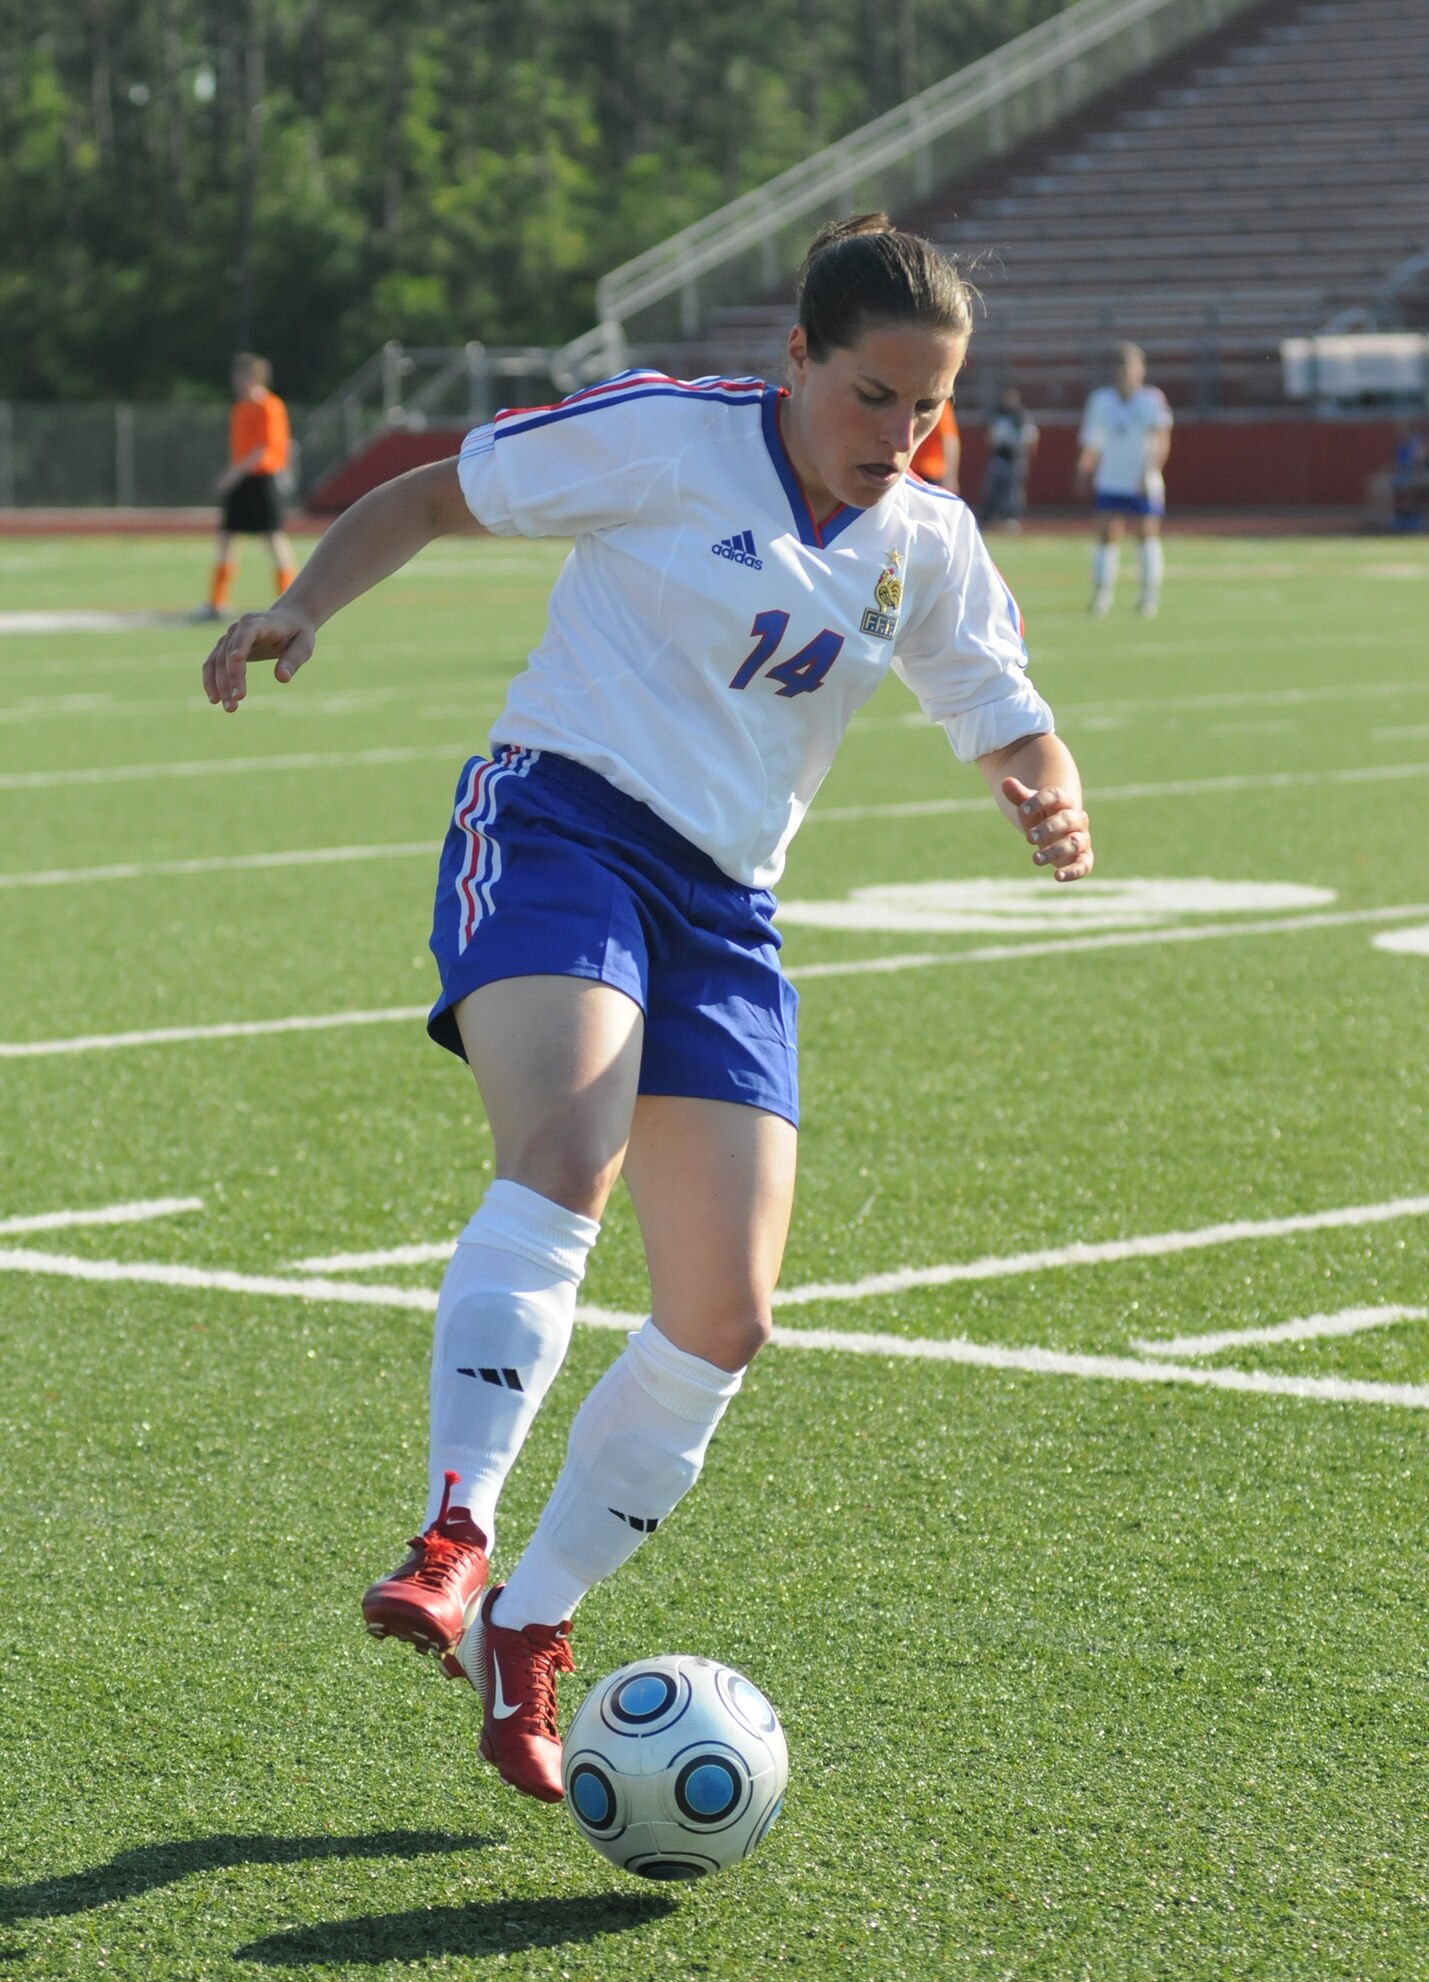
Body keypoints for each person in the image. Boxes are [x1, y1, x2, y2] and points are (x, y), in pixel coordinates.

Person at [200, 213, 1094, 1807]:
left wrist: (1044, 794)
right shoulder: (665, 435)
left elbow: (1000, 706)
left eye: (928, 409)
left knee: (723, 1316)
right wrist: (305, 604)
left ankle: (531, 1621)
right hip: (560, 824)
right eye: (873, 393)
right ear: (799, 358)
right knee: (567, 1148)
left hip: (725, 909)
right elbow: (431, 493)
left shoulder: (929, 543)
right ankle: (455, 1529)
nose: (899, 435)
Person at [1076, 343, 1173, 616]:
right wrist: (1085, 466)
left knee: (1146, 535)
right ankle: (1102, 597)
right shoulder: (1101, 401)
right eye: (1120, 366)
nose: (1125, 372)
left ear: (1141, 369)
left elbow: (1161, 440)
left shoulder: (1152, 399)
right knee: (1107, 535)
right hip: (1111, 478)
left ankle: (1148, 598)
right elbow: (1092, 440)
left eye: (1130, 365)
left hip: (1142, 480)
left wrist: (1150, 472)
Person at [201, 354, 297, 620]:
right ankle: (216, 602)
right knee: (226, 537)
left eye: (244, 375)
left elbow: (266, 447)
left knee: (273, 537)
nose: (238, 381)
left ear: (256, 378)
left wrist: (234, 473)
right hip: (241, 479)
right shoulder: (240, 408)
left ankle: (290, 601)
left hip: (261, 478)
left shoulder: (270, 406)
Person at [977, 387, 1040, 532]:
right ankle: (987, 518)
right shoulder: (997, 413)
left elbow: (1031, 435)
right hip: (998, 457)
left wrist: (1026, 451)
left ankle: (1011, 519)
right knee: (991, 489)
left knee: (1014, 492)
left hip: (1015, 459)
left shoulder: (1021, 415)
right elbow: (989, 434)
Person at [909, 396, 959, 489]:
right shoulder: (908, 400)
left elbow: (949, 439)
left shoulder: (938, 403)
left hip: (930, 472)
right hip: (910, 470)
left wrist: (950, 477)